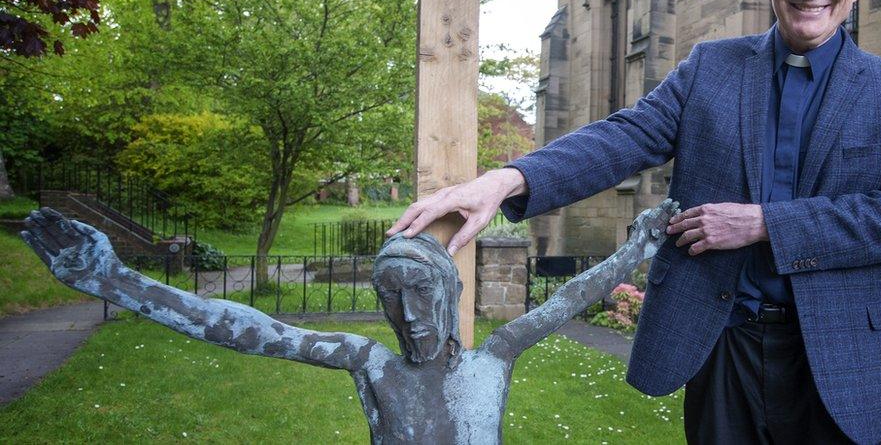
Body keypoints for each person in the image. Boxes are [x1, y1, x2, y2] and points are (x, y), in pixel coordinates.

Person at [387, 0, 881, 443]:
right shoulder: (711, 68)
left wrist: (766, 223)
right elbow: (623, 137)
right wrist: (507, 179)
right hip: (723, 344)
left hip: (838, 352)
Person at [21, 201, 677, 444]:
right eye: (390, 298)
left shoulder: (495, 355)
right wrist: (113, 282)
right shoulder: (370, 363)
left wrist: (633, 251)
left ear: (449, 292)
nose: (408, 315)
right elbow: (240, 324)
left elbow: (567, 299)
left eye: (420, 292)